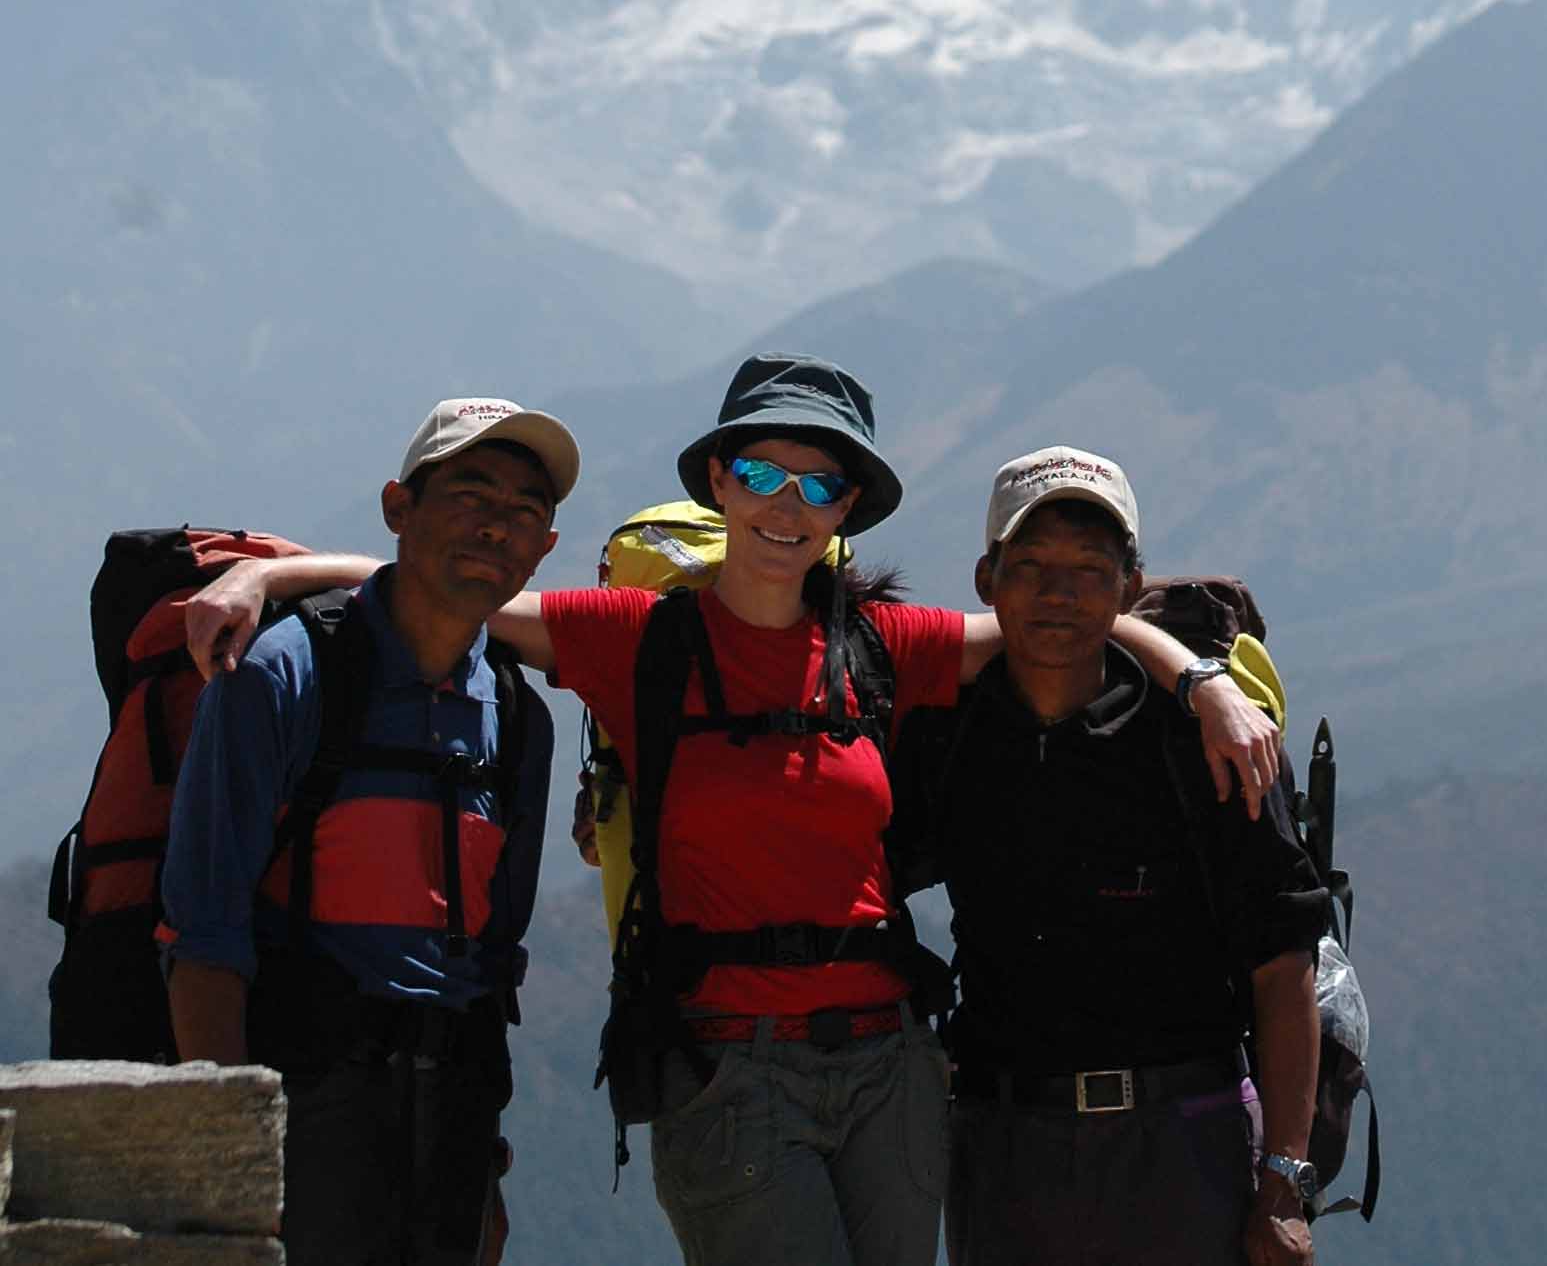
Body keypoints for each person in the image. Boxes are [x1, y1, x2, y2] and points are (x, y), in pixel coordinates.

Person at [186, 358, 1284, 1266]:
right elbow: (440, 583)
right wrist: (269, 581)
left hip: (892, 1068)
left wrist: (1200, 680)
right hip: (729, 1066)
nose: (786, 505)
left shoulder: (883, 644)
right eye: (762, 472)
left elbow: (1065, 619)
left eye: (819, 487)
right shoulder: (633, 639)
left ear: (847, 510)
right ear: (719, 481)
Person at [890, 445, 1331, 1266]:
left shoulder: (1200, 744)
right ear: (986, 580)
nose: (1058, 592)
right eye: (1030, 564)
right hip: (1002, 1143)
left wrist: (1282, 1187)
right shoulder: (944, 735)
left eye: (1090, 568)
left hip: (1184, 1137)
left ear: (1130, 587)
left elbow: (1283, 962)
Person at [162, 397, 576, 1266]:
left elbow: (491, 955)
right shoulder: (280, 674)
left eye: (524, 510)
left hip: (451, 1116)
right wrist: (229, 1156)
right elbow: (204, 929)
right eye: (470, 491)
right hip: (306, 1099)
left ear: (544, 550)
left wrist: (485, 1174)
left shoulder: (516, 718)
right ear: (398, 507)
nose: (495, 525)